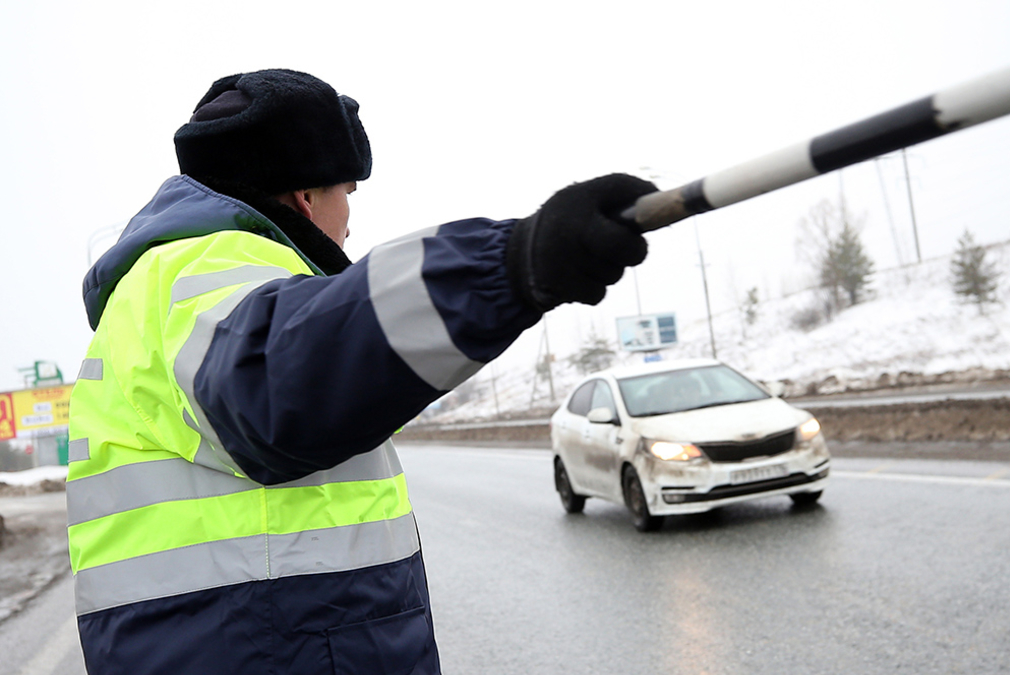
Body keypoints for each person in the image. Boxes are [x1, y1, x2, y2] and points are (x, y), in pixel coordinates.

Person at [66, 68, 655, 675]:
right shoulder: (198, 267)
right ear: (306, 195)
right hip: (266, 644)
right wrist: (507, 266)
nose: (349, 222)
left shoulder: (165, 290)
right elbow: (282, 373)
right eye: (347, 191)